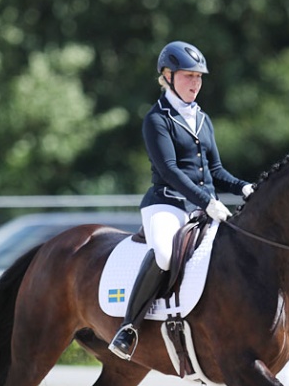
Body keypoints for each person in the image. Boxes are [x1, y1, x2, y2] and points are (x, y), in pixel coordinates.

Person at [109, 41, 254, 359]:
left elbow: (215, 170)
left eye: (199, 77)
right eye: (188, 76)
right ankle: (129, 328)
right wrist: (206, 201)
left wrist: (244, 187)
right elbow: (170, 170)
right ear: (167, 75)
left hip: (204, 206)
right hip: (167, 203)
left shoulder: (203, 118)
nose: (195, 84)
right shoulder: (157, 119)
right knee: (163, 253)